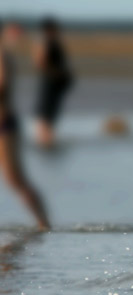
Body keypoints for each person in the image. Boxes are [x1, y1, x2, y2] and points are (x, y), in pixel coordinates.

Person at [0, 22, 50, 230]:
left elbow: (3, 85)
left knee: (15, 179)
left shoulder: (2, 56)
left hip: (4, 125)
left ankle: (43, 224)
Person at [33, 17, 73, 149]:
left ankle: (49, 141)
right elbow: (40, 62)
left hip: (55, 84)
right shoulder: (45, 41)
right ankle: (44, 141)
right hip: (48, 82)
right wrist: (57, 73)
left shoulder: (53, 42)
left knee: (51, 114)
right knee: (45, 115)